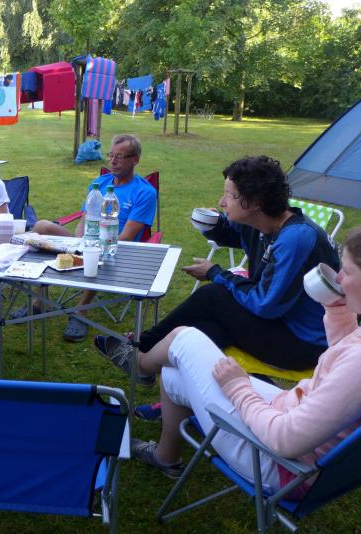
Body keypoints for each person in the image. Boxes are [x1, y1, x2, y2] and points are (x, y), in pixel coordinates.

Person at [126, 221, 361, 492]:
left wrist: (238, 387)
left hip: (284, 466)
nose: (339, 279)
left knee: (185, 339)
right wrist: (337, 309)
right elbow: (345, 359)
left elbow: (285, 439)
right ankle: (166, 457)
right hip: (296, 423)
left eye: (347, 271)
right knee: (174, 370)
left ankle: (138, 364)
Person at [95, 156, 340, 383]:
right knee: (206, 331)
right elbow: (232, 234)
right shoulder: (262, 223)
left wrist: (215, 273)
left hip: (304, 343)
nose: (222, 202)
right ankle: (156, 376)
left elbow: (266, 304)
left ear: (256, 202)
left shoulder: (295, 238)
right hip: (279, 323)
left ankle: (140, 347)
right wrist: (213, 224)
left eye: (230, 196)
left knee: (214, 296)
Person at [19, 134, 157, 341]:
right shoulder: (99, 183)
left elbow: (126, 236)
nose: (112, 161)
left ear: (135, 159)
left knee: (98, 252)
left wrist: (90, 247)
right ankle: (40, 298)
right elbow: (84, 220)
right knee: (41, 226)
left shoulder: (145, 192)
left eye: (119, 157)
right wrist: (79, 241)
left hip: (116, 248)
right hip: (86, 241)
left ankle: (81, 310)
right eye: (111, 155)